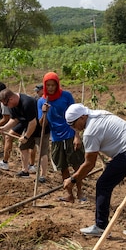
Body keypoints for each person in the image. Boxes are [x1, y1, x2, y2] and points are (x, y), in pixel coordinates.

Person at [63, 104, 126, 239]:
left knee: (103, 185)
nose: (74, 128)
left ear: (82, 117)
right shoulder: (100, 113)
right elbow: (116, 134)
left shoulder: (90, 131)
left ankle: (101, 226)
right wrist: (113, 159)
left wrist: (73, 179)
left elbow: (89, 164)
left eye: (73, 124)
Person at [40, 72, 85, 202]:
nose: (50, 88)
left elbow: (77, 116)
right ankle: (69, 195)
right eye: (48, 85)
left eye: (53, 85)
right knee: (63, 168)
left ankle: (80, 193)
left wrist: (77, 136)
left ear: (57, 84)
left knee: (77, 165)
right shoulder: (42, 101)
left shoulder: (66, 96)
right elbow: (42, 124)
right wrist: (44, 113)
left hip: (70, 134)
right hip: (56, 138)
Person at [0, 89, 44, 178]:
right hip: (25, 122)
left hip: (38, 124)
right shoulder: (12, 105)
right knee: (22, 146)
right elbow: (14, 119)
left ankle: (38, 171)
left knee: (36, 147)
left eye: (6, 104)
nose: (6, 106)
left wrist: (26, 137)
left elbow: (33, 123)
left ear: (11, 99)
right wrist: (5, 127)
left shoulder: (27, 103)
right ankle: (25, 171)